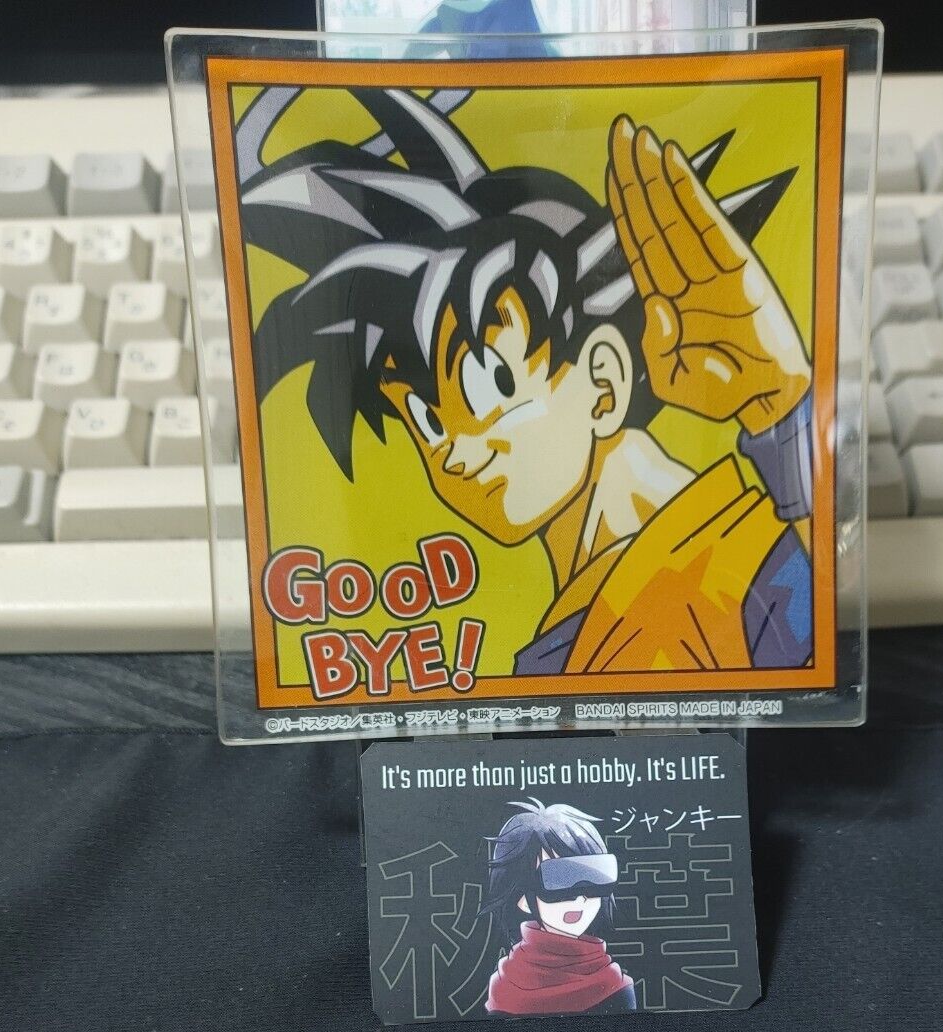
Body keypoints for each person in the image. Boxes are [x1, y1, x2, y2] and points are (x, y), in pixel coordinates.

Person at [242, 86, 815, 675]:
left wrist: (780, 409)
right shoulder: (569, 635)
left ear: (604, 382)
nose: (454, 453)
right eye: (428, 423)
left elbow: (813, 633)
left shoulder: (735, 569)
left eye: (491, 386)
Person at [482, 800, 636, 1016]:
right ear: (522, 898)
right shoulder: (505, 986)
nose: (580, 897)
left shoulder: (614, 985)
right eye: (559, 878)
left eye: (593, 876)